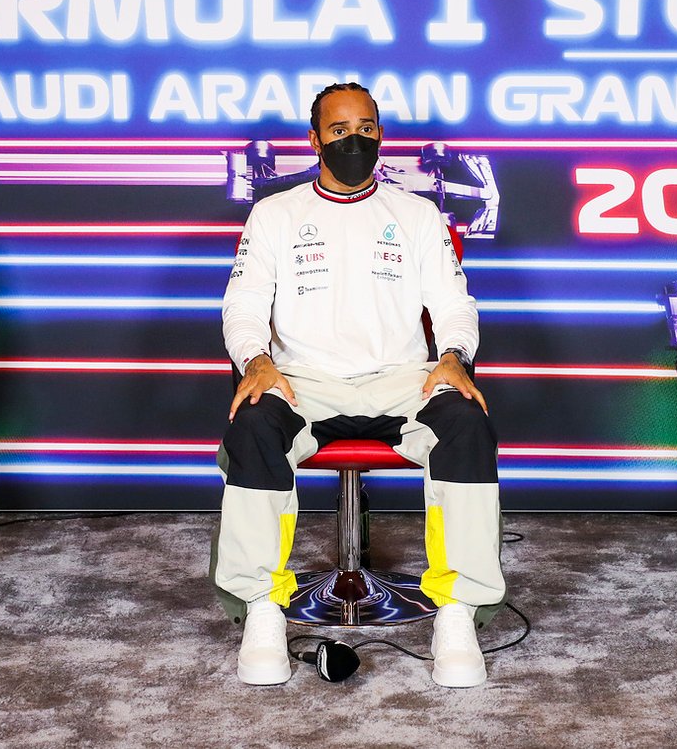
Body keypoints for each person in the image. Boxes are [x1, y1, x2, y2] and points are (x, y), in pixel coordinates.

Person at [214, 82, 506, 687]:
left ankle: (458, 613)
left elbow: (455, 302)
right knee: (254, 421)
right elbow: (243, 305)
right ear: (314, 139)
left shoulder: (417, 214)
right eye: (339, 129)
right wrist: (256, 360)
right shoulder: (275, 214)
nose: (354, 140)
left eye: (366, 128)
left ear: (381, 134)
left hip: (401, 380)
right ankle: (262, 609)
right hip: (303, 381)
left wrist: (455, 355)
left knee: (466, 421)